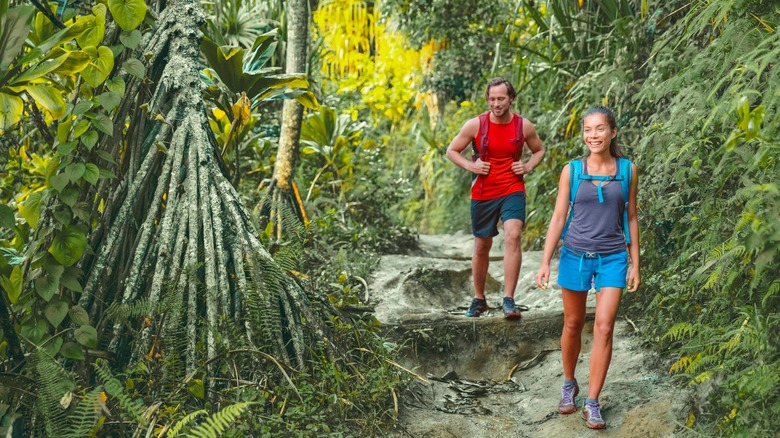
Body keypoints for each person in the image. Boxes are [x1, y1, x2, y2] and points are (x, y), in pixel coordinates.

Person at [534, 106, 639, 429]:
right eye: (588, 130)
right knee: (573, 323)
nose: (593, 136)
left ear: (613, 132)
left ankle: (592, 402)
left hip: (612, 257)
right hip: (575, 255)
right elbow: (558, 218)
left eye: (599, 129)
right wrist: (545, 261)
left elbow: (631, 216)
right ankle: (569, 384)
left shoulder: (627, 170)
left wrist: (636, 262)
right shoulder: (573, 170)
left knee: (604, 327)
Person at [446, 77, 545, 319]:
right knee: (482, 245)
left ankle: (509, 300)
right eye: (492, 99)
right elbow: (451, 151)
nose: (496, 103)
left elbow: (539, 150)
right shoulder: (475, 125)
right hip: (483, 192)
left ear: (511, 98)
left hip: (512, 188)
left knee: (513, 234)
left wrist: (528, 166)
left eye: (501, 98)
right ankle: (479, 299)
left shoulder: (523, 126)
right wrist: (472, 166)